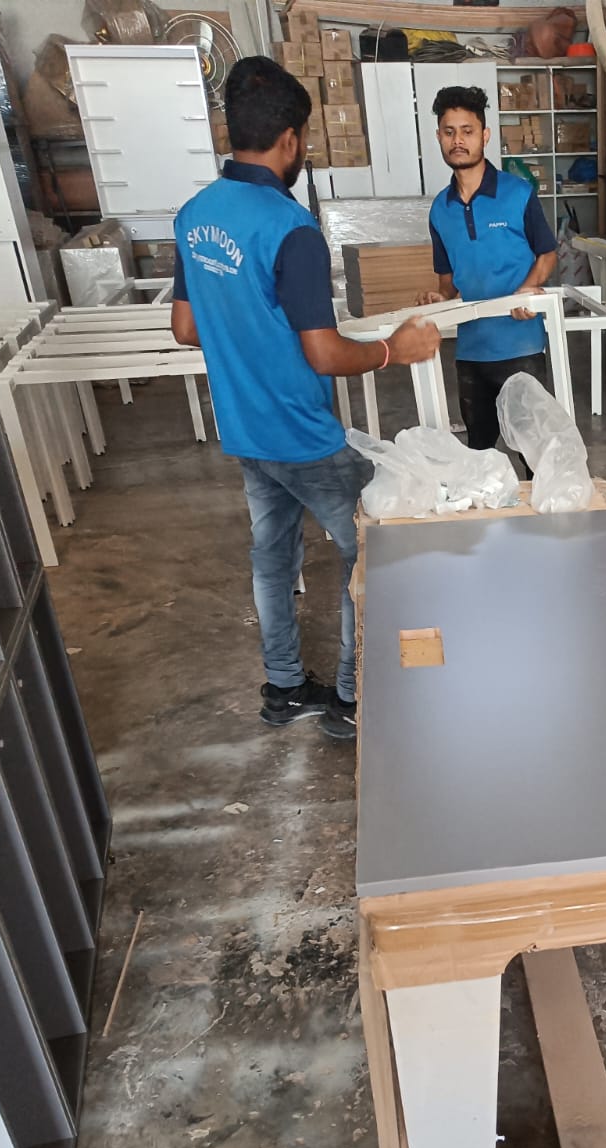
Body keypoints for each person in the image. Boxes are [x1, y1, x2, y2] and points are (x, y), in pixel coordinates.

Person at [171, 56, 440, 741]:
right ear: (290, 139)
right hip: (302, 435)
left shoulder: (194, 216)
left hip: (245, 430)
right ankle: (353, 699)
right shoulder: (290, 228)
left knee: (272, 557)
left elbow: (186, 327)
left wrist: (245, 326)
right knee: (372, 552)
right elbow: (323, 352)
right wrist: (395, 349)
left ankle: (286, 688)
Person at [419, 85, 558, 452]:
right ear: (438, 137)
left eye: (467, 131)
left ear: (485, 135)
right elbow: (448, 283)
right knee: (478, 450)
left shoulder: (517, 193)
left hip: (520, 344)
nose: (458, 141)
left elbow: (547, 254)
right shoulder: (440, 209)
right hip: (470, 351)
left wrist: (527, 289)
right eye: (449, 132)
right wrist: (439, 298)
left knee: (533, 450)